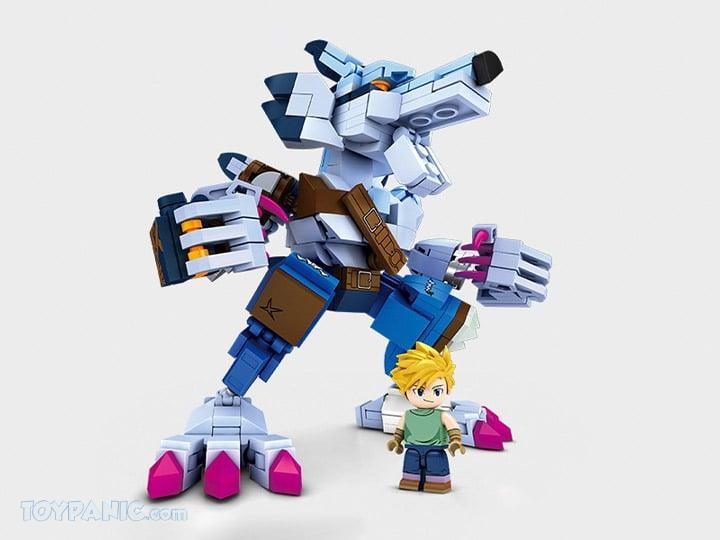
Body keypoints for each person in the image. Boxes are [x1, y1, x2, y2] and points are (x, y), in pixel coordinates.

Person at [387, 342, 466, 493]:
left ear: (447, 389)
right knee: (411, 467)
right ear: (405, 390)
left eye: (437, 391)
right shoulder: (408, 415)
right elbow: (400, 430)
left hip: (435, 450)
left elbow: (452, 428)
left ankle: (438, 483)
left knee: (436, 466)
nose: (428, 397)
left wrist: (455, 441)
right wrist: (396, 441)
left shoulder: (441, 415)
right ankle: (410, 481)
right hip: (412, 449)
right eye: (420, 391)